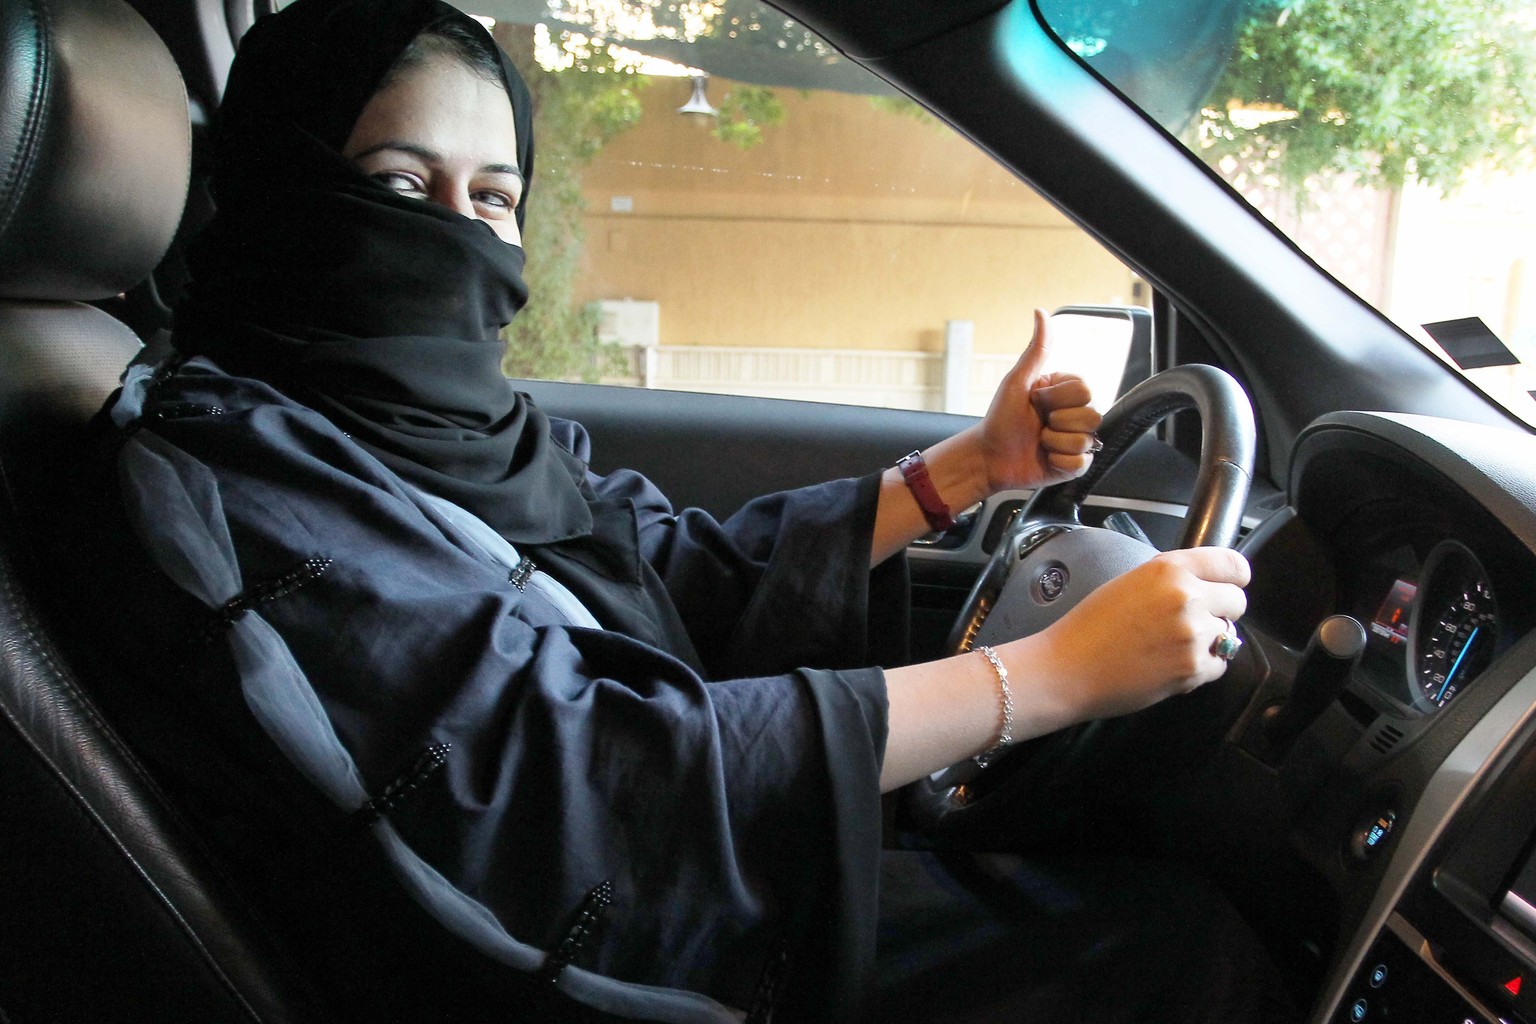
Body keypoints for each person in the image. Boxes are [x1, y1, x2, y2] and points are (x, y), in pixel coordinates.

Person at [67, 0, 1282, 1020]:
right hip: (582, 949)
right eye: (396, 182)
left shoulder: (435, 429)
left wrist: (966, 470)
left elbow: (658, 567)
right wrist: (1051, 677)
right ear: (284, 188)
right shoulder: (234, 470)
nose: (456, 231)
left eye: (492, 196)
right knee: (1187, 947)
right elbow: (579, 772)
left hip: (651, 870)